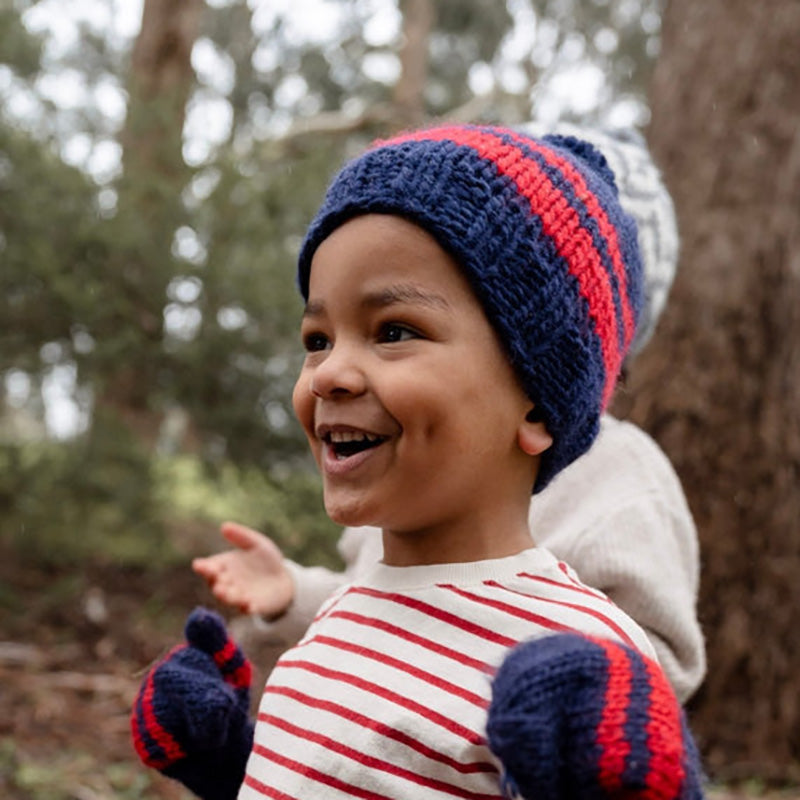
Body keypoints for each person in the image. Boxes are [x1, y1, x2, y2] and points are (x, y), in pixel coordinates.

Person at [132, 124, 706, 800]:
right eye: (317, 339)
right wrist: (229, 761)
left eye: (394, 331)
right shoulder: (354, 609)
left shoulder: (572, 659)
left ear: (537, 407)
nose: (328, 373)